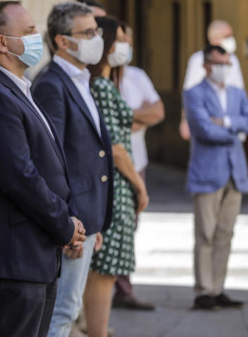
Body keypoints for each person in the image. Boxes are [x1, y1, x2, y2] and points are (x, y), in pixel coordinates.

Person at [0, 1, 86, 337]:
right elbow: (20, 177)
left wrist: (67, 223)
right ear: (2, 43)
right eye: (29, 31)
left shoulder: (19, 87)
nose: (37, 37)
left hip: (37, 254)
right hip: (16, 259)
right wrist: (64, 225)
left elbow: (50, 169)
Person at [32, 1, 114, 337]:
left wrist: (95, 221)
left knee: (68, 308)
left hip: (86, 219)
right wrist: (70, 222)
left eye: (98, 32)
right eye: (89, 32)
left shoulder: (81, 79)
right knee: (62, 312)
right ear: (63, 41)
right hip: (72, 224)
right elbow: (52, 160)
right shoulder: (52, 84)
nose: (98, 39)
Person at [84, 16, 149, 337]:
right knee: (105, 270)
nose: (125, 45)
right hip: (117, 187)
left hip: (115, 186)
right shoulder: (100, 87)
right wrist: (139, 185)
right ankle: (98, 331)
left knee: (105, 268)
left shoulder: (103, 85)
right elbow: (115, 147)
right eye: (120, 38)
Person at [184, 44, 248, 310]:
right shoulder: (194, 94)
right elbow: (204, 130)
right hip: (208, 172)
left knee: (226, 233)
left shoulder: (237, 93)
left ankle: (218, 288)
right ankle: (203, 290)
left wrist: (226, 122)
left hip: (235, 172)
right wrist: (234, 128)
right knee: (205, 233)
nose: (223, 68)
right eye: (219, 63)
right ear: (206, 64)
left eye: (227, 63)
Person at [113, 23, 164, 311]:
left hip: (138, 160)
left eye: (127, 40)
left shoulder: (137, 76)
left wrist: (126, 118)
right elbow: (115, 126)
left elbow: (158, 111)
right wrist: (135, 118)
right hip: (114, 159)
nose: (124, 45)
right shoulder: (101, 79)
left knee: (131, 226)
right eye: (118, 39)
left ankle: (124, 288)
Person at [179, 20, 244, 140]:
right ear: (215, 38)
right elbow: (190, 94)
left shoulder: (234, 60)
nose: (231, 39)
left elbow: (241, 93)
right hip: (209, 126)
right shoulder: (198, 60)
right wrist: (185, 120)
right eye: (227, 36)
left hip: (232, 126)